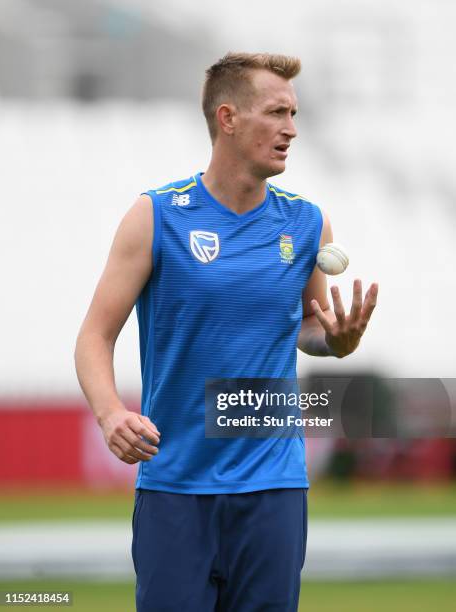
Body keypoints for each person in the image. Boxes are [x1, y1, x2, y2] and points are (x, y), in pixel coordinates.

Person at [75, 52, 378, 612]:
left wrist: (335, 341)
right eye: (276, 112)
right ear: (228, 117)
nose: (291, 128)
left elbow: (309, 328)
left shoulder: (308, 223)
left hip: (274, 485)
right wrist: (110, 413)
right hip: (175, 484)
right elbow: (94, 335)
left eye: (294, 113)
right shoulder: (157, 215)